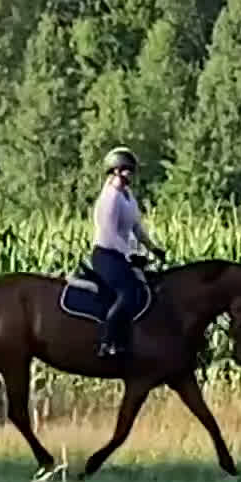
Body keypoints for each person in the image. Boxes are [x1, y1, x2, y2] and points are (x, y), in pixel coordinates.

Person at [90, 146, 166, 358]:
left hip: (120, 254)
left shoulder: (127, 195)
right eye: (126, 170)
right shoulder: (110, 197)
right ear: (114, 170)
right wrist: (129, 253)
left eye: (130, 170)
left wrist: (153, 247)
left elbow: (136, 228)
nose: (130, 174)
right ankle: (108, 341)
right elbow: (109, 231)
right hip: (106, 254)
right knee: (129, 292)